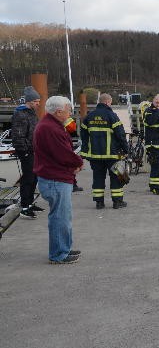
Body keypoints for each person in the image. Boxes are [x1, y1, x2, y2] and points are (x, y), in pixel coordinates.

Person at [32, 95, 84, 264]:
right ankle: (59, 253)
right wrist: (78, 162)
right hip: (55, 179)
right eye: (68, 109)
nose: (70, 112)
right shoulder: (50, 128)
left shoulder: (50, 125)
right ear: (59, 111)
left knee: (62, 216)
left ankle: (63, 248)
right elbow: (63, 153)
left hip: (54, 177)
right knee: (60, 217)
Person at [79, 93, 129, 209]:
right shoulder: (112, 116)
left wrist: (84, 152)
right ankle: (117, 202)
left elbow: (84, 136)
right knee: (117, 177)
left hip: (95, 155)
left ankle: (99, 203)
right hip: (112, 155)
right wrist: (126, 149)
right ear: (107, 102)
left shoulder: (89, 117)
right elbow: (120, 135)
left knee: (98, 178)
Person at [12, 86, 42, 219]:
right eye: (36, 101)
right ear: (29, 101)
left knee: (35, 177)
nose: (38, 104)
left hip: (33, 150)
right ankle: (24, 207)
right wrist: (24, 151)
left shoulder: (31, 113)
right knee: (28, 178)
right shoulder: (21, 114)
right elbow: (18, 136)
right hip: (26, 151)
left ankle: (29, 203)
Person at [62, 117, 84, 192]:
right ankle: (72, 184)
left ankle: (72, 184)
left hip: (68, 140)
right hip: (69, 140)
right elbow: (72, 128)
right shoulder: (67, 119)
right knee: (71, 166)